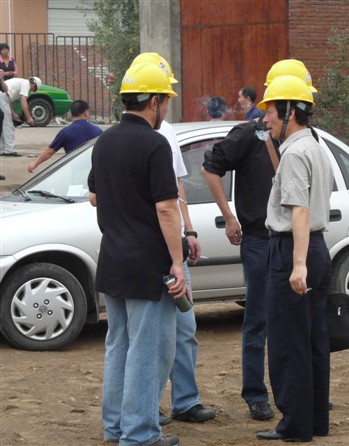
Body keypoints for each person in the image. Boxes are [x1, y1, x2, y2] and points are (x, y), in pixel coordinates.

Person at [87, 61, 183, 446]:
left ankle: (116, 428)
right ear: (155, 101)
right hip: (147, 265)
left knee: (118, 347)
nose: (166, 110)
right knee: (147, 350)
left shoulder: (104, 140)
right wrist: (177, 261)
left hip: (113, 258)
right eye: (166, 102)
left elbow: (95, 196)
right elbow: (166, 206)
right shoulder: (154, 144)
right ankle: (140, 433)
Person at [129, 51, 216, 426]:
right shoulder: (138, 136)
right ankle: (148, 406)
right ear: (155, 98)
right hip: (154, 249)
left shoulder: (166, 133)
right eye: (165, 95)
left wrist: (190, 229)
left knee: (184, 330)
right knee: (148, 338)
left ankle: (185, 400)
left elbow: (176, 187)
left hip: (173, 242)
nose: (167, 102)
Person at [255, 74, 334, 442]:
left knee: (288, 342)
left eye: (270, 111)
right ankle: (315, 420)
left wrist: (297, 264)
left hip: (293, 251)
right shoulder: (316, 147)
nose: (266, 119)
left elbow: (299, 210)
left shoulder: (296, 153)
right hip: (315, 247)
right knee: (314, 340)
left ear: (289, 112)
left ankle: (295, 425)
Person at [201, 115, 277, 422]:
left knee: (296, 320)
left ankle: (297, 390)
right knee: (258, 320)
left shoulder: (300, 135)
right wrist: (229, 216)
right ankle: (256, 394)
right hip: (259, 240)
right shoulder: (249, 134)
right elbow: (209, 169)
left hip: (292, 239)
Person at [27, 100, 102, 173]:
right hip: (95, 171)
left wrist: (35, 164)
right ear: (85, 113)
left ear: (71, 114)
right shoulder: (98, 131)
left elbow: (49, 152)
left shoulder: (65, 132)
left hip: (76, 171)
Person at [0, 76, 41, 157]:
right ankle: (9, 150)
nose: (31, 91)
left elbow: (9, 98)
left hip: (3, 97)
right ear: (33, 85)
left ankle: (2, 149)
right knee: (8, 125)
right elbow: (23, 100)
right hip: (2, 97)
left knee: (3, 125)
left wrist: (13, 113)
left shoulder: (20, 82)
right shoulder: (26, 83)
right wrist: (29, 118)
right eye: (33, 89)